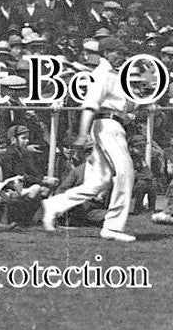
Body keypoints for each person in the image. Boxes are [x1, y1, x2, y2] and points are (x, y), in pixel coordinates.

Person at [39, 36, 137, 242]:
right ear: (106, 53)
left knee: (98, 182)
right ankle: (113, 227)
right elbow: (90, 105)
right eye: (118, 52)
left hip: (113, 124)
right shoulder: (102, 74)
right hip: (107, 127)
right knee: (125, 173)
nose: (122, 56)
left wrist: (137, 107)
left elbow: (121, 108)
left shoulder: (113, 74)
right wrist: (83, 135)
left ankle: (54, 205)